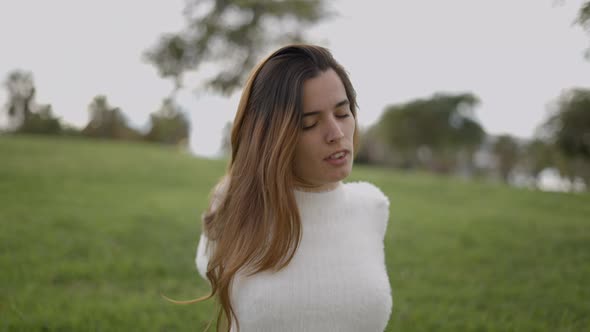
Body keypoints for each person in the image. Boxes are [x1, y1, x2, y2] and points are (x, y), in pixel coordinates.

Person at [194, 44, 392, 332]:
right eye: (309, 123)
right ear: (271, 137)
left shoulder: (372, 207)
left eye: (342, 112)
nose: (336, 135)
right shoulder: (233, 204)